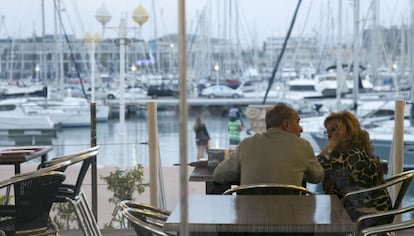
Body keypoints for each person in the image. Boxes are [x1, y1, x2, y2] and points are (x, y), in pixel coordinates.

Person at [214, 102, 324, 187]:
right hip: (289, 214)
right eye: (298, 122)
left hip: (249, 214)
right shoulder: (303, 146)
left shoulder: (246, 144)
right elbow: (317, 177)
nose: (301, 128)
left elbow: (218, 175)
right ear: (286, 125)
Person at [317, 111, 392, 227]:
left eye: (335, 130)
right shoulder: (362, 150)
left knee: (315, 216)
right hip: (381, 210)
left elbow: (316, 169)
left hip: (364, 215)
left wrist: (332, 144)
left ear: (348, 130)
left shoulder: (346, 155)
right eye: (328, 131)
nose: (330, 135)